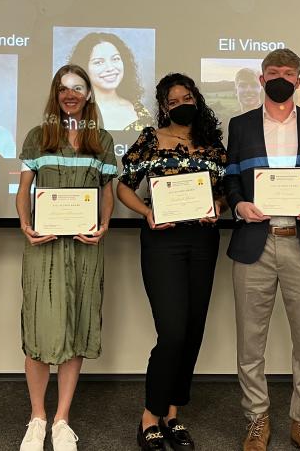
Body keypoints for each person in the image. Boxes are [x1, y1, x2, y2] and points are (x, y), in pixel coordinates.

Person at [225, 48, 300, 451]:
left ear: (298, 80)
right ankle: (256, 419)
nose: (280, 78)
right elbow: (231, 179)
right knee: (249, 341)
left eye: (288, 73)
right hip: (254, 244)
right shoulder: (239, 126)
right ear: (261, 79)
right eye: (272, 72)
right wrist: (239, 204)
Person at [117, 73, 228, 451]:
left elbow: (225, 191)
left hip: (203, 241)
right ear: (164, 106)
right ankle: (150, 414)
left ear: (196, 99)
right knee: (173, 331)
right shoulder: (150, 139)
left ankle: (173, 413)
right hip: (162, 242)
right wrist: (146, 211)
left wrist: (218, 205)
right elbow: (122, 186)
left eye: (187, 96)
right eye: (174, 99)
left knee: (194, 328)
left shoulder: (212, 144)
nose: (182, 103)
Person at [15, 64, 117, 451]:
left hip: (85, 247)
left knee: (76, 324)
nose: (70, 94)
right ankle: (37, 416)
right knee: (41, 329)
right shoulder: (38, 137)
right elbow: (23, 191)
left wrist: (104, 224)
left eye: (77, 88)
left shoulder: (102, 141)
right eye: (63, 89)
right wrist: (26, 223)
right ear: (55, 95)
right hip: (43, 246)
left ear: (89, 94)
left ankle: (62, 420)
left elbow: (107, 193)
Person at [68, 31, 152, 131]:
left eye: (115, 59)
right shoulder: (73, 111)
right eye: (99, 62)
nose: (110, 68)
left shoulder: (140, 111)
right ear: (83, 68)